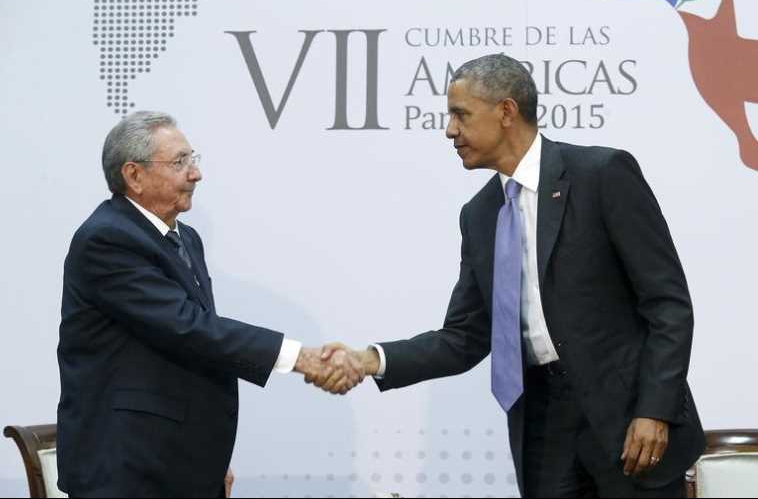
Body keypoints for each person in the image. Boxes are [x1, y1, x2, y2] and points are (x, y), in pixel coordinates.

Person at [321, 54, 706, 498]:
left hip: (627, 422)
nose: (449, 131)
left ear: (506, 111)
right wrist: (370, 359)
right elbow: (464, 337)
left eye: (460, 115)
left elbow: (668, 304)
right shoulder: (480, 215)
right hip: (542, 428)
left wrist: (655, 410)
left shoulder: (601, 175)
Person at [56, 111, 362, 497]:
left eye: (193, 159)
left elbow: (197, 348)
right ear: (134, 176)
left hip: (175, 461)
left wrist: (207, 459)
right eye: (180, 162)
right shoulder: (107, 240)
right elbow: (187, 327)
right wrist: (300, 358)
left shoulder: (185, 238)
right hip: (127, 470)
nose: (195, 173)